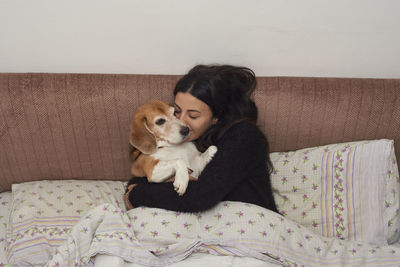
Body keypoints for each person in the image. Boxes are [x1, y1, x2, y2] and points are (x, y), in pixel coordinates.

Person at [124, 64, 278, 213]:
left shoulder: (244, 135)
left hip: (253, 223)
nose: (181, 122)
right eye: (176, 111)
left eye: (193, 115)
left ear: (216, 117)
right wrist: (138, 185)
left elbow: (199, 197)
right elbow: (144, 171)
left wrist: (137, 194)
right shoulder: (187, 136)